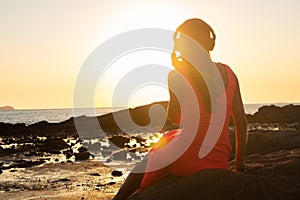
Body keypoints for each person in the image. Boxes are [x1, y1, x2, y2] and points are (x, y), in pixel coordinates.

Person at [112, 18, 263, 200]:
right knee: (170, 138)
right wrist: (240, 164)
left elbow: (175, 118)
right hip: (219, 159)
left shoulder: (177, 74)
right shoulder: (229, 73)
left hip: (187, 158)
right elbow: (241, 122)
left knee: (153, 154)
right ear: (210, 43)